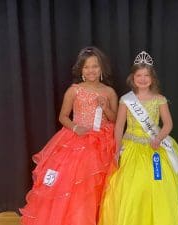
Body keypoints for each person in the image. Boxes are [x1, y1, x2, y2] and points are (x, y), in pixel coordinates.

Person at [20, 46, 118, 225]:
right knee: (77, 184)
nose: (91, 70)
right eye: (87, 67)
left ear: (101, 68)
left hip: (103, 142)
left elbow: (115, 119)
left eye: (95, 66)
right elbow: (63, 116)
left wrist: (106, 108)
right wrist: (75, 128)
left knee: (102, 183)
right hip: (77, 140)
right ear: (81, 69)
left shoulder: (109, 92)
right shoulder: (74, 90)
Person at [98, 51, 178, 225]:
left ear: (152, 78)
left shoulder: (160, 99)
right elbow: (119, 126)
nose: (143, 79)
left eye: (147, 75)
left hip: (155, 145)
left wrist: (159, 139)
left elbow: (168, 124)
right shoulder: (125, 100)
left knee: (158, 186)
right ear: (133, 77)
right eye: (139, 75)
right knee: (132, 189)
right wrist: (117, 150)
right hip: (131, 147)